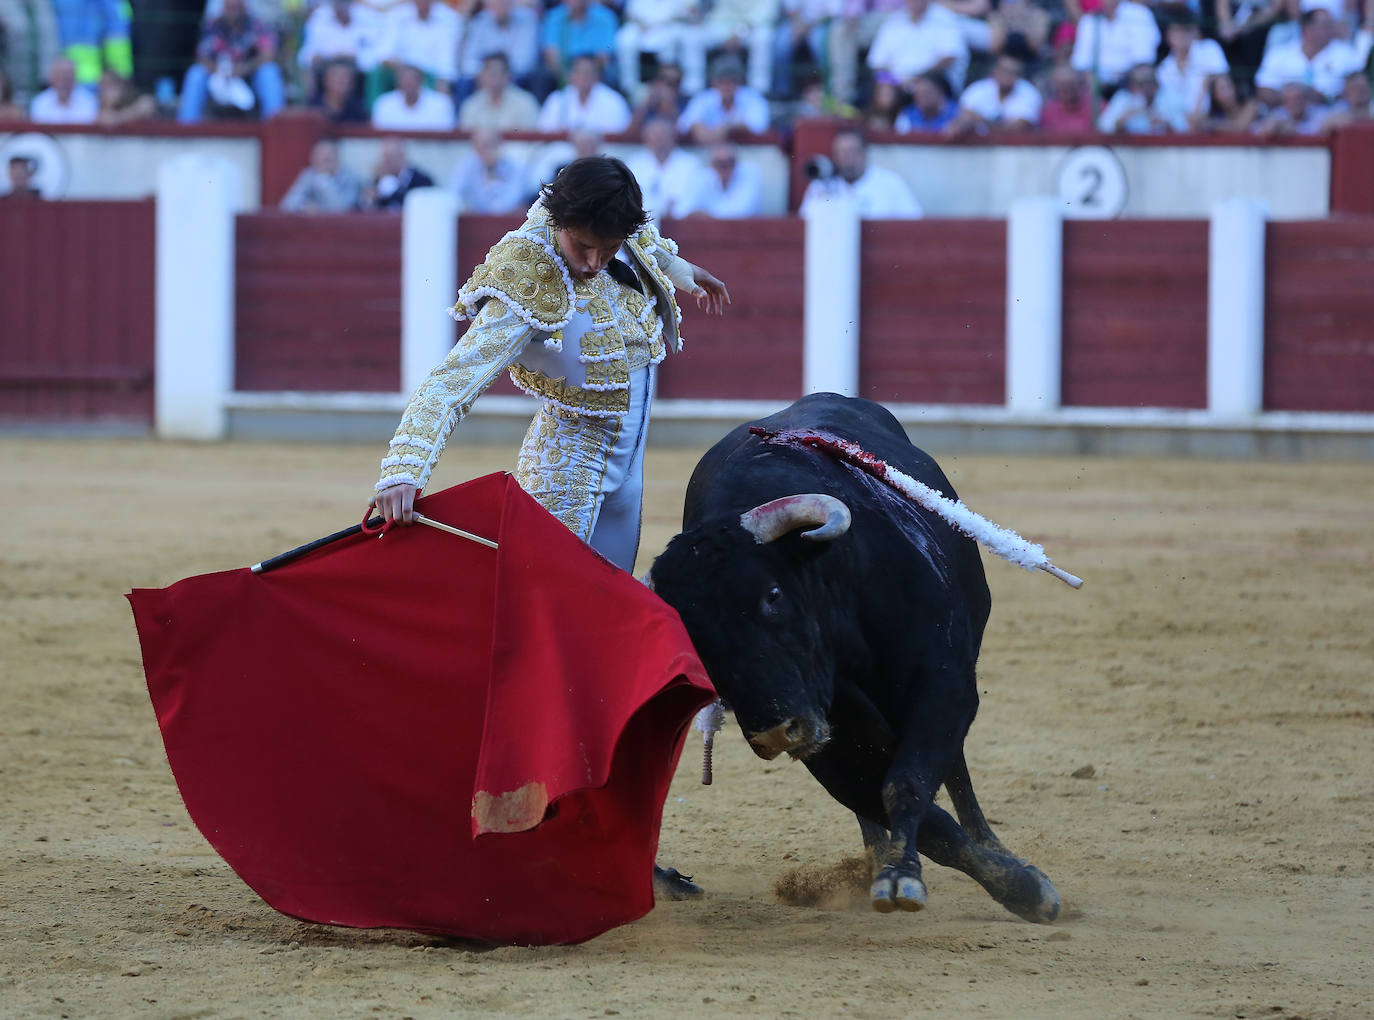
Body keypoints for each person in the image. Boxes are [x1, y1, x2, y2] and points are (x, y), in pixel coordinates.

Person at [371, 153, 729, 612]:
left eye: (608, 248)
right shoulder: (527, 274)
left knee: (606, 608)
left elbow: (644, 243)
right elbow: (451, 381)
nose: (594, 263)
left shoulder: (611, 226)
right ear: (560, 219)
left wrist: (684, 273)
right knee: (546, 612)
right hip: (565, 471)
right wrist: (403, 469)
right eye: (582, 246)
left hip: (629, 469)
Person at [177, 0, 285, 123]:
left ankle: (275, 127)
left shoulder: (256, 24)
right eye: (230, 7)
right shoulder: (212, 25)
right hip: (218, 76)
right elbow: (200, 56)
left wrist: (244, 68)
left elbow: (268, 54)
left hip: (248, 77)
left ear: (244, 7)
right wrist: (220, 70)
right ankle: (187, 127)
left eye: (237, 7)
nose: (233, 11)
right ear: (223, 8)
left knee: (269, 71)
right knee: (196, 73)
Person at [799, 125, 922, 217]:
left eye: (852, 151)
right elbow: (804, 222)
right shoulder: (820, 186)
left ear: (864, 153)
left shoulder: (890, 183)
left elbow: (914, 223)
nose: (846, 158)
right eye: (841, 152)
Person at [1068, 0, 1161, 93]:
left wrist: (1121, 79)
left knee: (1142, 74)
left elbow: (1143, 58)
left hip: (1129, 84)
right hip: (1096, 87)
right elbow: (1080, 62)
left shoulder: (1140, 14)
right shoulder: (1089, 20)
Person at [676, 54, 771, 143]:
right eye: (721, 82)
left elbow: (759, 126)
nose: (727, 86)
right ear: (714, 83)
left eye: (732, 81)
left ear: (740, 83)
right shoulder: (703, 99)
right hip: (705, 151)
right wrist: (697, 127)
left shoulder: (754, 99)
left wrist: (728, 127)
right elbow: (683, 124)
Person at [625, 117, 704, 221]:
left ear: (674, 137)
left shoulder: (691, 164)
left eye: (663, 134)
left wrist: (671, 211)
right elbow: (631, 198)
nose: (659, 139)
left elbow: (693, 200)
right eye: (654, 135)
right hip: (642, 223)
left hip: (681, 225)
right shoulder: (634, 164)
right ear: (646, 138)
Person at [536, 52, 633, 134]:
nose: (583, 77)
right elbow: (545, 132)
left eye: (587, 72)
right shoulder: (557, 98)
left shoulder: (613, 101)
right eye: (578, 72)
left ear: (598, 76)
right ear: (570, 75)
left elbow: (617, 138)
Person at [946, 52, 1041, 133]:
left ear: (1019, 75)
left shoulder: (1029, 92)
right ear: (994, 72)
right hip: (978, 150)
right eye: (1003, 70)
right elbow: (964, 118)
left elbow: (1018, 128)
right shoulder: (978, 89)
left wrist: (981, 121)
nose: (1007, 76)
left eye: (1013, 72)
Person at [447, 127, 527, 213]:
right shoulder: (467, 165)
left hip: (509, 221)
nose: (484, 151)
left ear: (499, 144)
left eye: (489, 145)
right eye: (479, 146)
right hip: (475, 220)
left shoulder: (515, 166)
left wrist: (494, 180)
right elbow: (453, 194)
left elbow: (512, 201)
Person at [1096, 61, 1188, 133]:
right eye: (1139, 83)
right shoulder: (1123, 98)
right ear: (1132, 85)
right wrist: (1121, 121)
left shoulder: (1171, 98)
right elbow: (1103, 127)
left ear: (1156, 84)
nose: (1144, 88)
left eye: (1148, 82)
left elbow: (1187, 128)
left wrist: (1167, 124)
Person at [458, 51, 540, 131]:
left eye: (495, 73)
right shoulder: (471, 105)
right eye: (487, 72)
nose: (491, 78)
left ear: (508, 76)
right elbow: (465, 140)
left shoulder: (525, 102)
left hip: (513, 145)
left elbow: (529, 140)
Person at [280, 137, 363, 212]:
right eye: (320, 154)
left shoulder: (350, 177)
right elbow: (287, 204)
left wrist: (323, 179)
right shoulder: (309, 174)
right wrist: (303, 207)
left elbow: (341, 209)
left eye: (328, 156)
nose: (324, 158)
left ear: (337, 156)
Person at [371, 62, 456, 130]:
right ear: (398, 83)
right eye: (405, 81)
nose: (409, 84)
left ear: (421, 81)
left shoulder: (442, 104)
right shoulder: (384, 104)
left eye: (412, 80)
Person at [689, 143, 763, 218]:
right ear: (711, 165)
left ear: (736, 162)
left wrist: (707, 215)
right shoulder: (703, 177)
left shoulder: (750, 173)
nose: (725, 167)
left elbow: (743, 213)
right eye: (719, 164)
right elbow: (690, 209)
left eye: (730, 162)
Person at [362, 136, 435, 211]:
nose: (387, 162)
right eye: (384, 157)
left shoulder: (422, 181)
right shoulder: (377, 181)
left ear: (402, 156)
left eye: (391, 157)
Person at [28, 55, 99, 122]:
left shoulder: (90, 101)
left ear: (74, 76)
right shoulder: (40, 102)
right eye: (58, 74)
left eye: (67, 74)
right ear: (51, 77)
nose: (63, 79)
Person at [893, 69, 957, 130]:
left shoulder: (959, 114)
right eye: (918, 94)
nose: (921, 98)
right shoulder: (907, 115)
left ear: (940, 92)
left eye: (926, 93)